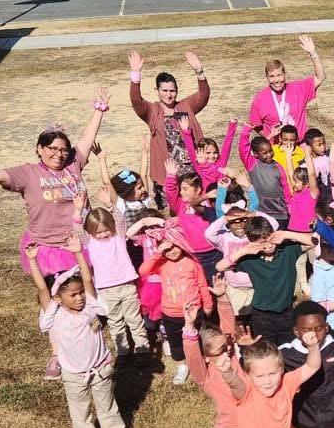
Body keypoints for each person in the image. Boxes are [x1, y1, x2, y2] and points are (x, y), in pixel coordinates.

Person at [0, 88, 110, 378]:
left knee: (87, 292)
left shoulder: (73, 164)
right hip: (48, 247)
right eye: (52, 148)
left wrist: (99, 110)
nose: (58, 153)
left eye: (62, 149)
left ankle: (93, 341)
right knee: (53, 301)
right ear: (39, 149)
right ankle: (56, 353)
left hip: (78, 242)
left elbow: (87, 140)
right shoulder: (27, 173)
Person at [26, 235, 124, 428]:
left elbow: (88, 279)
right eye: (73, 294)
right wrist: (33, 261)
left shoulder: (90, 307)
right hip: (73, 372)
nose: (80, 297)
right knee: (81, 411)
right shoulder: (54, 314)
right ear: (58, 298)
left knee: (106, 403)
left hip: (100, 367)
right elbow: (41, 287)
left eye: (81, 293)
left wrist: (78, 252)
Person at [82, 161, 147, 360]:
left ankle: (143, 349)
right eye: (98, 232)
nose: (103, 235)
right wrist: (78, 212)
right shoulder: (90, 243)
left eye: (105, 230)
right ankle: (123, 351)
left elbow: (119, 219)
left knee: (134, 319)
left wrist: (110, 205)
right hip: (106, 289)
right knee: (115, 321)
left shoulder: (119, 237)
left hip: (127, 285)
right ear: (91, 233)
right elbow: (79, 231)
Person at [215, 218, 314, 346]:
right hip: (262, 316)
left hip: (287, 312)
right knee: (266, 351)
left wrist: (286, 234)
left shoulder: (287, 249)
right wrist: (244, 251)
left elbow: (315, 241)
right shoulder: (249, 259)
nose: (269, 246)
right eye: (262, 243)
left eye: (270, 239)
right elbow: (219, 267)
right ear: (253, 242)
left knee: (290, 349)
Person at [128, 50, 209, 200]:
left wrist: (199, 71)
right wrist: (135, 76)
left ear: (177, 91)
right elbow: (136, 100)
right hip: (167, 175)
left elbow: (203, 95)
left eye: (172, 90)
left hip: (192, 172)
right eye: (164, 90)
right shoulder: (152, 111)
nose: (169, 94)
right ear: (157, 91)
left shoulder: (186, 106)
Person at [138, 224, 213, 385]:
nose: (171, 252)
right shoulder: (161, 264)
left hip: (194, 312)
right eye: (167, 249)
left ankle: (199, 362)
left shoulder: (192, 263)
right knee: (175, 342)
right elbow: (143, 271)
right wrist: (158, 253)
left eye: (174, 247)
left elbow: (202, 285)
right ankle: (182, 366)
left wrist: (207, 304)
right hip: (171, 313)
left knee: (198, 338)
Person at [248, 35, 325, 138]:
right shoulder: (259, 99)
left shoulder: (298, 89)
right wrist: (269, 137)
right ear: (267, 77)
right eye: (272, 76)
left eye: (279, 75)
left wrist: (313, 54)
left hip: (299, 148)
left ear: (284, 74)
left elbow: (320, 77)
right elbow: (255, 125)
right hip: (274, 151)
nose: (276, 80)